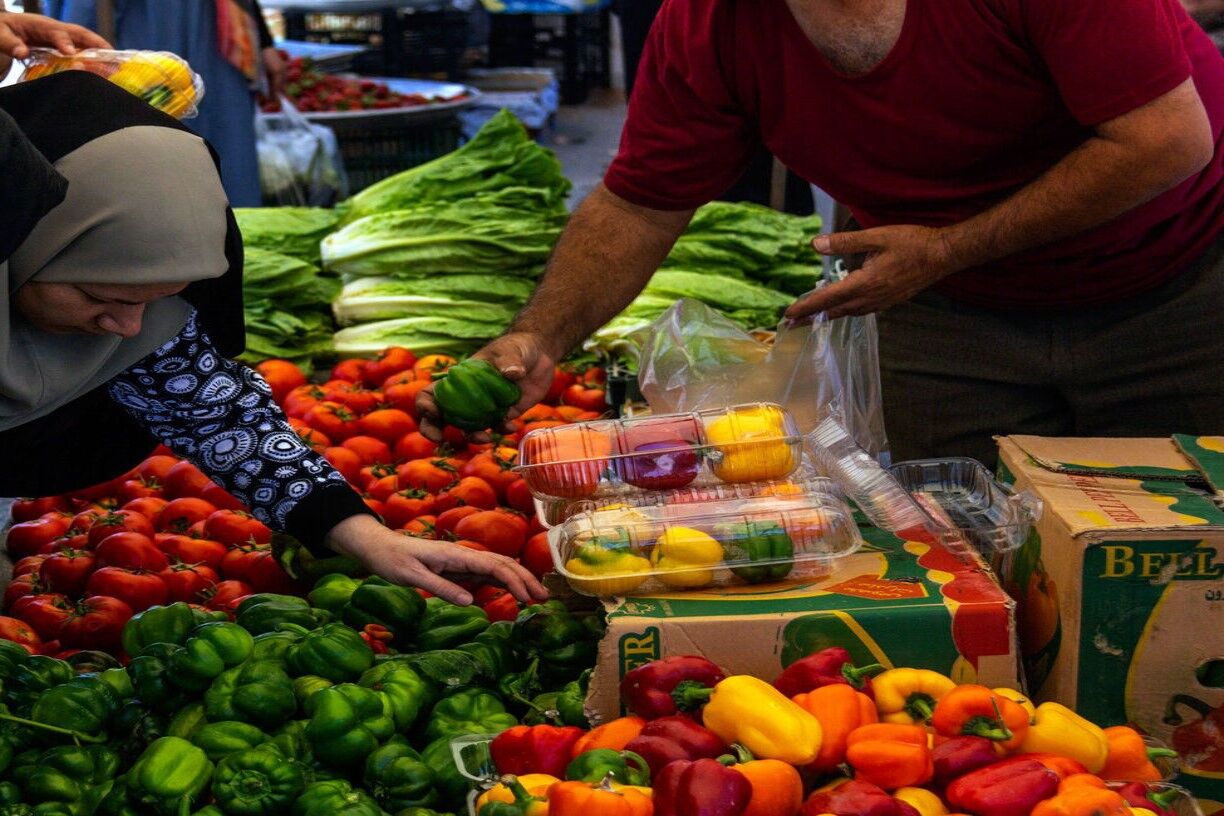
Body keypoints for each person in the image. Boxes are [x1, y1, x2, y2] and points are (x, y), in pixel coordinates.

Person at [420, 0, 1224, 467]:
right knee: (961, 548)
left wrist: (943, 249)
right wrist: (538, 335)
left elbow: (1166, 141)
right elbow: (639, 205)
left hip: (1181, 285)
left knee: (1180, 549)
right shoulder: (708, 22)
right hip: (948, 314)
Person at [0, 67, 546, 607]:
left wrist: (368, 536)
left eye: (151, 299)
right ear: (25, 240)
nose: (129, 328)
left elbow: (215, 416)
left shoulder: (140, 312)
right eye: (101, 298)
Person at [45, 0, 285, 207]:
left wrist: (264, 42)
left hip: (216, 37)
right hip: (145, 27)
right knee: (149, 166)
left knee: (225, 162)